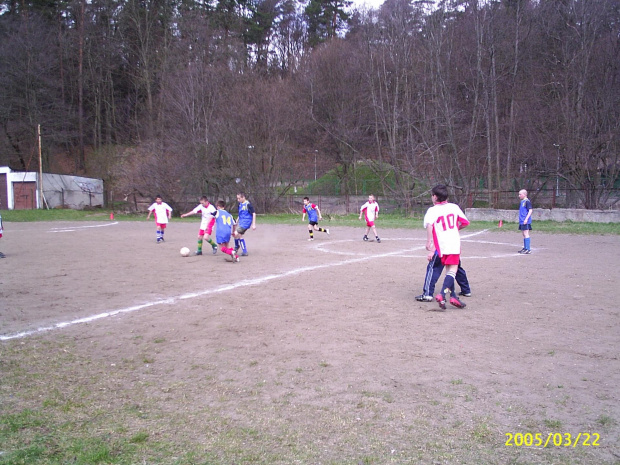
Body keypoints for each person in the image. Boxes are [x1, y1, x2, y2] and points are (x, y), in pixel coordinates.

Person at [423, 185, 470, 310]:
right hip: (453, 242)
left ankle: (453, 296)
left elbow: (429, 225)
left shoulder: (432, 210)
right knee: (452, 270)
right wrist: (455, 228)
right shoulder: (454, 207)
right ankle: (442, 294)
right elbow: (465, 222)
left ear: (435, 197)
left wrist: (429, 241)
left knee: (449, 271)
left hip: (441, 245)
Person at [518, 189, 533, 254]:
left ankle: (528, 249)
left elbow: (530, 210)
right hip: (522, 220)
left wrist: (526, 219)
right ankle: (525, 248)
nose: (519, 196)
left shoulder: (527, 201)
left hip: (525, 221)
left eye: (520, 194)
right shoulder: (522, 202)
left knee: (526, 233)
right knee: (523, 234)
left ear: (524, 194)